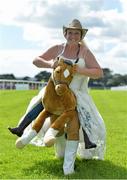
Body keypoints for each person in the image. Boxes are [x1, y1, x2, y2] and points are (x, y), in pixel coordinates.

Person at [8, 19, 106, 175]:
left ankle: (86, 144)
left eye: (76, 33)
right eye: (70, 32)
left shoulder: (85, 52)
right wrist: (50, 65)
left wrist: (79, 70)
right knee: (41, 104)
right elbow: (36, 60)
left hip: (76, 95)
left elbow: (99, 72)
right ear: (65, 33)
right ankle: (23, 130)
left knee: (83, 121)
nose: (73, 35)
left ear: (81, 35)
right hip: (55, 91)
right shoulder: (57, 48)